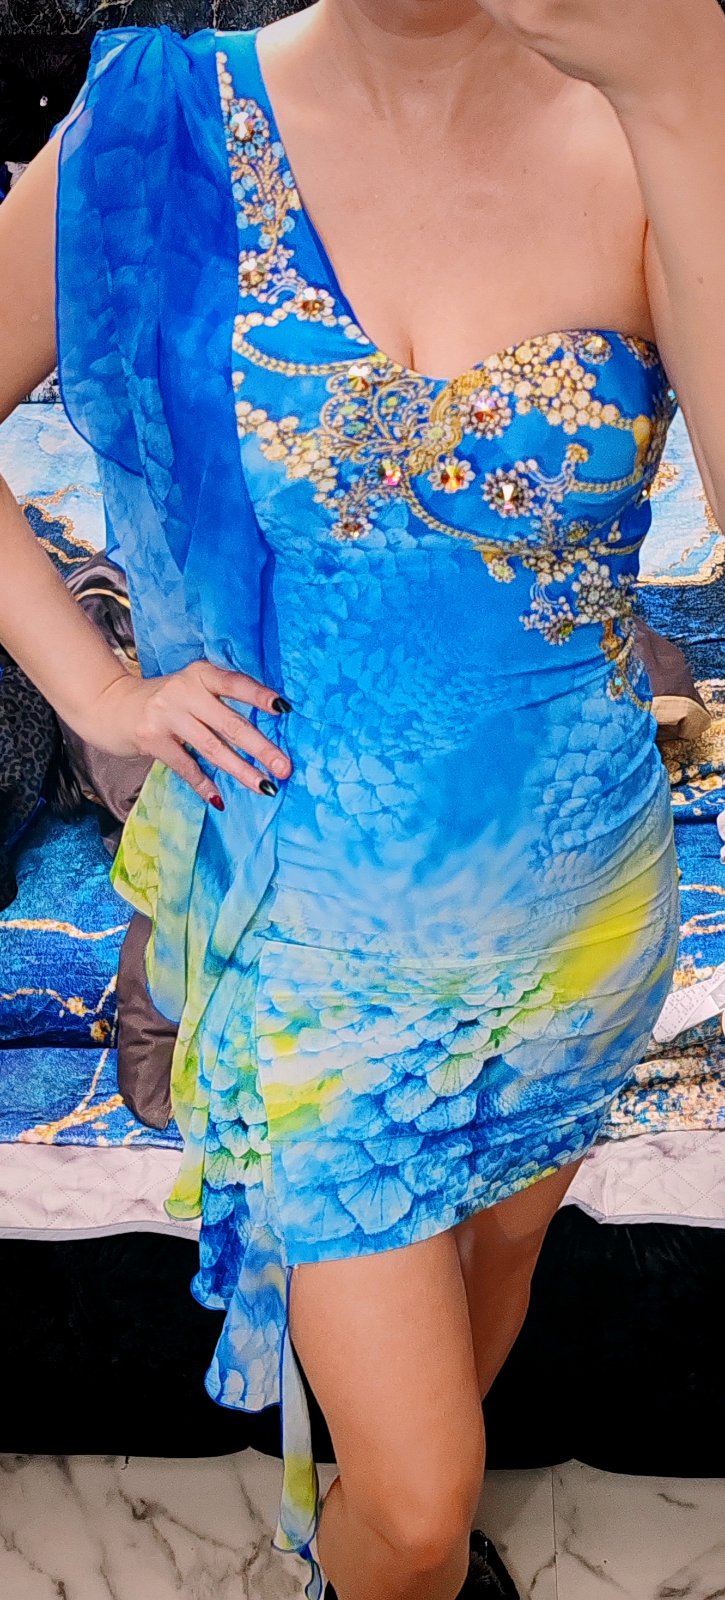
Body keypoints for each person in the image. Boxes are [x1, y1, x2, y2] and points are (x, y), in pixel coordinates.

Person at [1, 3, 724, 1597]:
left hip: (580, 915)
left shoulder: (655, 122)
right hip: (317, 946)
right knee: (413, 1503)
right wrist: (97, 692)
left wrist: (691, 90)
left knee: (488, 1284)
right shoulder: (155, 125)